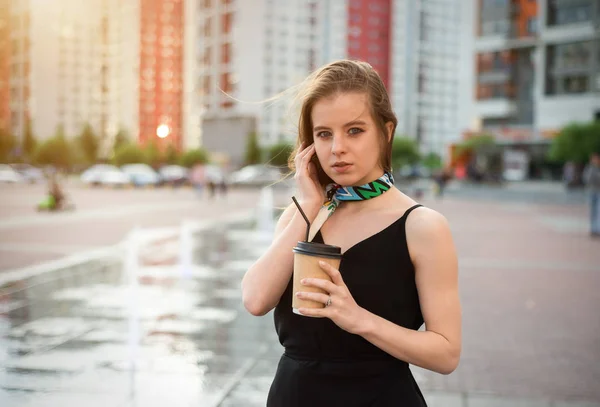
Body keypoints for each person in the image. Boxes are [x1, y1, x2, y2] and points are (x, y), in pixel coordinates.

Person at [241, 60, 461, 406]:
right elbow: (255, 301)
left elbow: (446, 353)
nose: (337, 148)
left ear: (386, 131)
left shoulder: (422, 226)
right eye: (324, 134)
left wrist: (359, 320)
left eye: (355, 130)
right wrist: (308, 205)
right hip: (294, 395)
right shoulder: (300, 215)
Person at [583, 152, 600, 238]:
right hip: (592, 191)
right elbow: (587, 179)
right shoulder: (589, 168)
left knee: (598, 211)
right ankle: (593, 229)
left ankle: (597, 229)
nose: (595, 160)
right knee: (593, 211)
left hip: (598, 191)